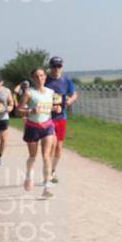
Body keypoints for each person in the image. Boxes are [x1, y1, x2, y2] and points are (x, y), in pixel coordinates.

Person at [16, 68, 57, 199]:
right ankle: (28, 175)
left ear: (45, 77)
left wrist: (57, 108)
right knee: (33, 156)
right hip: (32, 127)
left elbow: (53, 106)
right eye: (36, 76)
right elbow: (18, 111)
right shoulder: (29, 93)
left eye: (42, 75)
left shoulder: (51, 92)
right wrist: (30, 111)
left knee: (46, 156)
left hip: (47, 126)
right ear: (33, 78)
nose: (40, 78)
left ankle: (47, 187)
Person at [45, 55, 77, 184]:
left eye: (59, 66)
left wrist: (70, 100)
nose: (56, 68)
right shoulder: (46, 81)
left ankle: (53, 170)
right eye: (54, 66)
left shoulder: (66, 81)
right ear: (50, 67)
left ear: (62, 67)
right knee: (52, 144)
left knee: (58, 146)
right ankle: (48, 172)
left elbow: (74, 93)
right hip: (47, 117)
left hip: (61, 117)